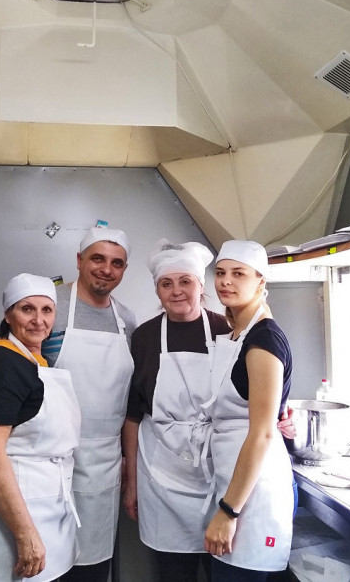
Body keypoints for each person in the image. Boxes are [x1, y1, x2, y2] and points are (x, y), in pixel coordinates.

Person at [0, 228, 137, 582]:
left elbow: (131, 396)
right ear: (79, 260)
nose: (39, 319)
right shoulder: (54, 301)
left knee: (77, 566)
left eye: (117, 263)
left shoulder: (127, 320)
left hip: (101, 462)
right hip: (32, 465)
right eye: (97, 258)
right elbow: (2, 371)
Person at [0, 273, 81, 581]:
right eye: (27, 309)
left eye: (47, 310)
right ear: (8, 314)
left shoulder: (35, 361)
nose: (39, 320)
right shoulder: (0, 364)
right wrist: (25, 535)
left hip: (45, 506)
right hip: (13, 517)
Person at [122, 239, 228, 581]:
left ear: (201, 286)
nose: (176, 291)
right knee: (173, 574)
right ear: (157, 291)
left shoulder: (227, 332)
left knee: (222, 569)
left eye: (185, 281)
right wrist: (132, 484)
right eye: (166, 284)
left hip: (217, 472)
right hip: (161, 476)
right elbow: (133, 417)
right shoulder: (144, 337)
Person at [202, 241, 294, 582]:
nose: (226, 281)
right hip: (236, 484)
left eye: (238, 274)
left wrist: (229, 512)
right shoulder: (238, 334)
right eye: (220, 273)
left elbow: (263, 433)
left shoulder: (264, 340)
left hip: (253, 497)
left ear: (260, 282)